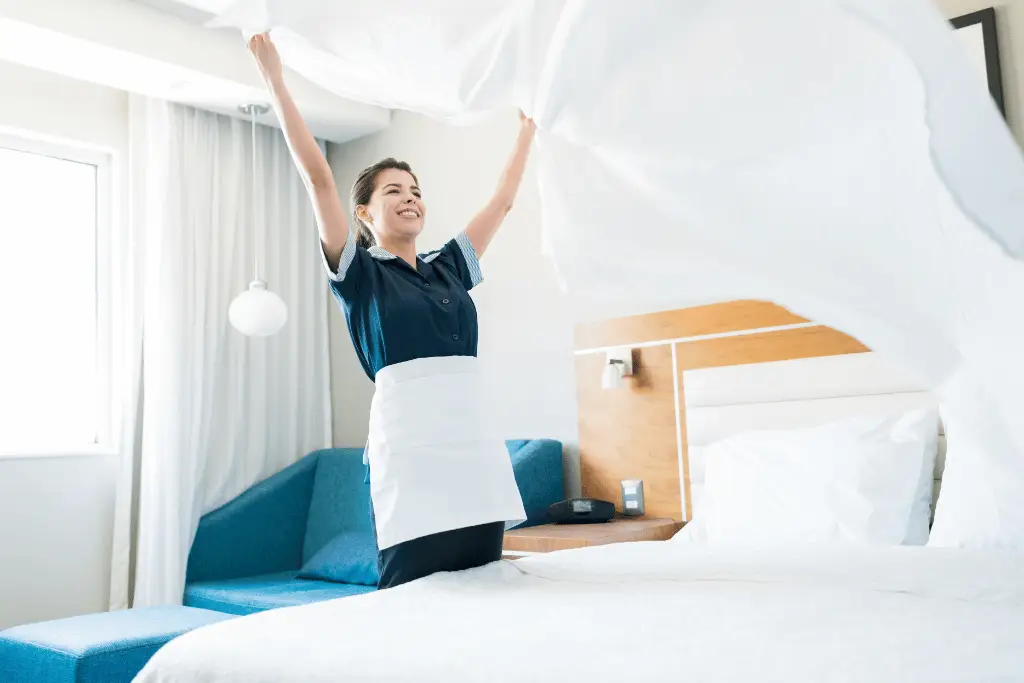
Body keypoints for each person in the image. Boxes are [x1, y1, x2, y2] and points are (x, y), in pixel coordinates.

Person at [248, 33, 536, 589]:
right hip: (411, 450)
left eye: (416, 190)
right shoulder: (359, 274)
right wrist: (275, 81)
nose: (410, 198)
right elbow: (318, 177)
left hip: (472, 440)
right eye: (394, 191)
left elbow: (502, 202)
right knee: (413, 589)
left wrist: (528, 128)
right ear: (363, 212)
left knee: (487, 582)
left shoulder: (450, 266)